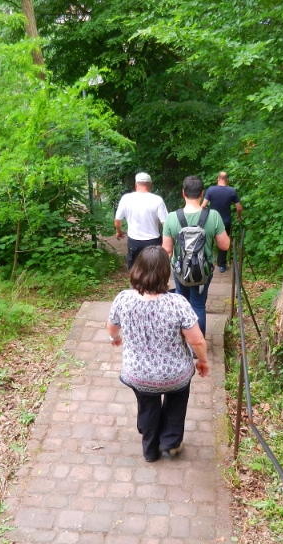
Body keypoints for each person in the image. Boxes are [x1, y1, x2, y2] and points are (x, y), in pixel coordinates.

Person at [106, 246, 210, 462]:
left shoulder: (123, 299)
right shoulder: (178, 303)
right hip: (175, 374)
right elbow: (197, 340)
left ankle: (150, 450)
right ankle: (170, 444)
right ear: (166, 272)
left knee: (147, 405)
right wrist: (202, 361)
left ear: (137, 269)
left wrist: (115, 338)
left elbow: (111, 327)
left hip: (139, 374)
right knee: (176, 401)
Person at [163, 175, 230, 335]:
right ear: (202, 193)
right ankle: (196, 346)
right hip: (203, 271)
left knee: (181, 303)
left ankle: (180, 341)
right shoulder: (213, 216)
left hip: (180, 271)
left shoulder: (172, 217)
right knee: (198, 305)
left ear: (183, 193)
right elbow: (225, 245)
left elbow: (166, 250)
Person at [114, 172, 168, 270]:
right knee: (154, 270)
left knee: (135, 270)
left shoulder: (126, 199)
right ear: (150, 185)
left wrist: (119, 231)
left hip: (134, 242)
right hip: (153, 242)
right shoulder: (157, 200)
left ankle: (136, 285)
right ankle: (153, 285)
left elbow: (118, 220)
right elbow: (165, 223)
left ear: (136, 185)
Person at [202, 171, 242, 272]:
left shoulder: (211, 190)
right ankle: (221, 265)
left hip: (211, 221)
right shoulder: (231, 191)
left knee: (208, 242)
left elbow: (203, 205)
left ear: (217, 179)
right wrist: (239, 216)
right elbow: (239, 207)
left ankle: (207, 263)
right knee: (223, 243)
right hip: (225, 222)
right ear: (227, 180)